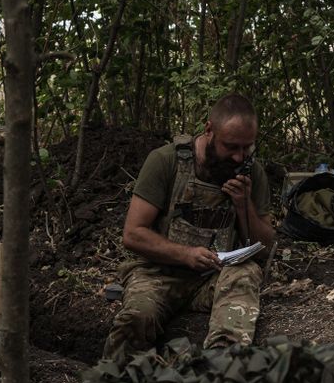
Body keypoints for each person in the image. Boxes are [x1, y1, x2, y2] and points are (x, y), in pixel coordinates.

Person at [103, 93, 276, 361]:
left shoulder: (251, 171)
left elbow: (265, 247)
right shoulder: (166, 161)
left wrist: (244, 205)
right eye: (231, 146)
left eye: (247, 148)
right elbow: (133, 234)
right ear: (209, 130)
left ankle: (222, 365)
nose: (238, 156)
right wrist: (185, 254)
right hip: (158, 273)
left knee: (245, 272)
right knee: (137, 319)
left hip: (214, 278)